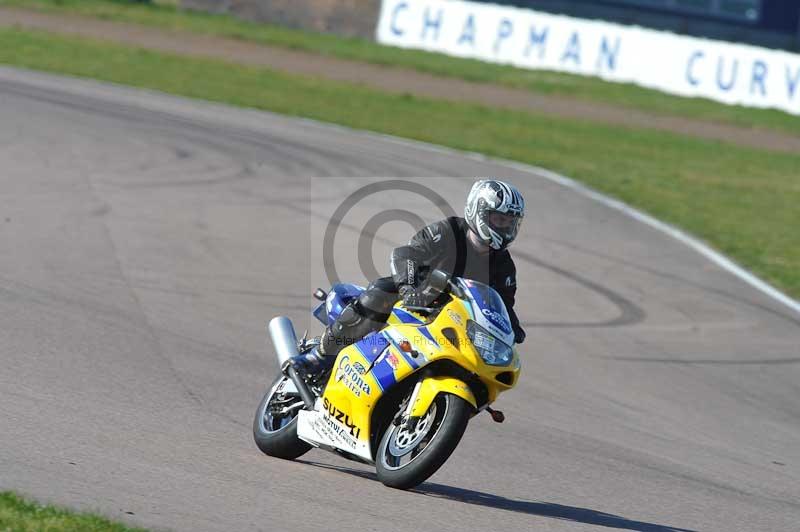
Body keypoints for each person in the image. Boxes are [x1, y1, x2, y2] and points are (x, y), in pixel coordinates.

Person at [291, 179, 526, 375]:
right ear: (479, 211)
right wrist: (410, 288)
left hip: (453, 318)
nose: (504, 226)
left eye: (509, 222)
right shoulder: (449, 231)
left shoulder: (504, 265)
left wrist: (512, 330)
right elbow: (407, 254)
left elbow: (503, 305)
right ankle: (320, 356)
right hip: (419, 298)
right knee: (382, 289)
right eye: (498, 219)